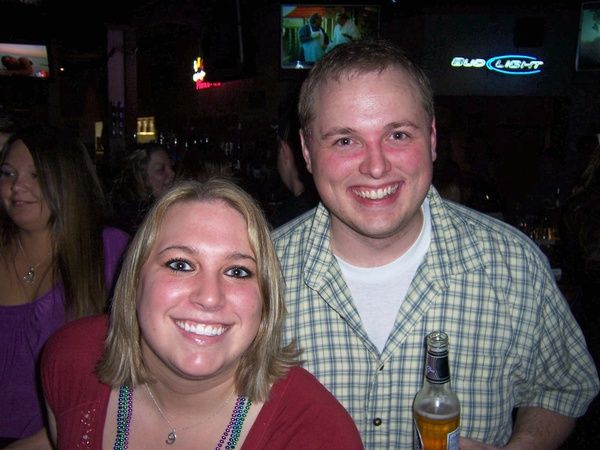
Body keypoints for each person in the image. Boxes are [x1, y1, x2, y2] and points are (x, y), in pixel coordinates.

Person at [272, 39, 599, 449]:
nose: (376, 167)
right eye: (345, 141)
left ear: (431, 138)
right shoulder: (260, 274)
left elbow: (561, 387)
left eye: (397, 135)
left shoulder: (513, 265)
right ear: (307, 151)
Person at [20, 178, 363, 450]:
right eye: (181, 265)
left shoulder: (317, 433)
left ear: (266, 300)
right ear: (135, 279)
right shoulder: (71, 360)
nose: (209, 298)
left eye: (238, 271)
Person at [0, 125, 130, 445]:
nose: (17, 186)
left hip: (69, 437)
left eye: (36, 175)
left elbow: (131, 373)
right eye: (7, 173)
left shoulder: (109, 252)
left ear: (69, 180)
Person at [109, 143, 175, 235]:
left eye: (171, 167)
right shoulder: (133, 223)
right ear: (141, 177)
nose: (172, 174)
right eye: (161, 169)